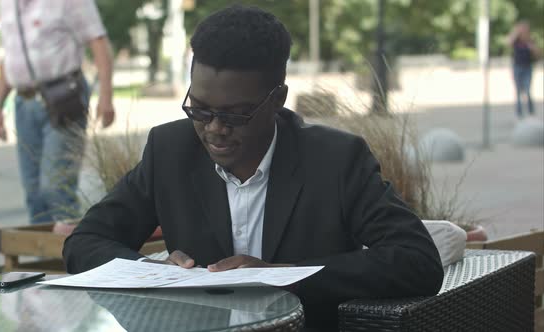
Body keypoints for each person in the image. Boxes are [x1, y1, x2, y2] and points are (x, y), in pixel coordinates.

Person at [63, 5, 443, 330]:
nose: (214, 128)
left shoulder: (336, 160)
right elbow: (85, 242)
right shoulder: (170, 150)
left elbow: (417, 260)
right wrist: (153, 272)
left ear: (278, 99)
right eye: (199, 108)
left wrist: (281, 276)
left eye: (235, 114)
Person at [0, 0, 115, 224]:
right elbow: (9, 58)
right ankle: (44, 256)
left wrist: (106, 96)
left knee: (56, 187)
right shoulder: (7, 4)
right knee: (33, 192)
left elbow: (98, 42)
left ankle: (71, 254)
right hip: (23, 102)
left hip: (64, 98)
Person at [507, 20, 540, 118]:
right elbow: (508, 42)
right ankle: (519, 113)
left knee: (527, 89)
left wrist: (532, 48)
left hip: (527, 67)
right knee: (517, 91)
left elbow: (537, 54)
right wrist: (516, 31)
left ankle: (530, 112)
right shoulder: (516, 41)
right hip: (517, 67)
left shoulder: (530, 40)